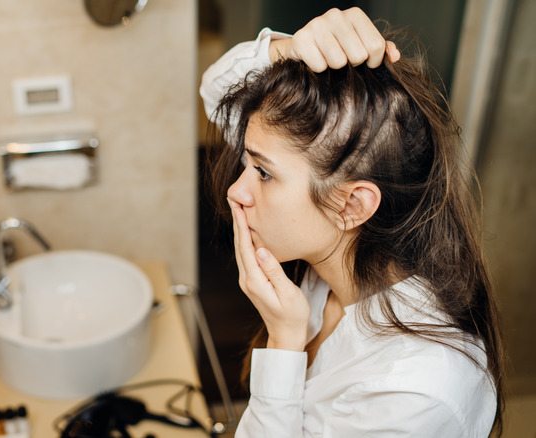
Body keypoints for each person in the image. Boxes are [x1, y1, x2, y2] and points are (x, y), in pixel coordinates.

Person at [200, 7, 504, 437]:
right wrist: (288, 49)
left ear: (353, 206)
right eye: (248, 165)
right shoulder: (340, 264)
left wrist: (285, 341)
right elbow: (217, 91)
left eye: (263, 173)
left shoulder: (413, 392)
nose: (237, 191)